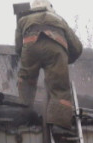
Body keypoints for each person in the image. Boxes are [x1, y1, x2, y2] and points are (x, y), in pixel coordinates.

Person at [15, 0, 83, 130]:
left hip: (30, 49)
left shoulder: (22, 20)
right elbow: (77, 48)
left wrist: (27, 58)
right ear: (49, 7)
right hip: (56, 51)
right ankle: (59, 125)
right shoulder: (58, 19)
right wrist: (66, 60)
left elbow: (18, 47)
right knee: (59, 87)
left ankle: (24, 116)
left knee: (26, 82)